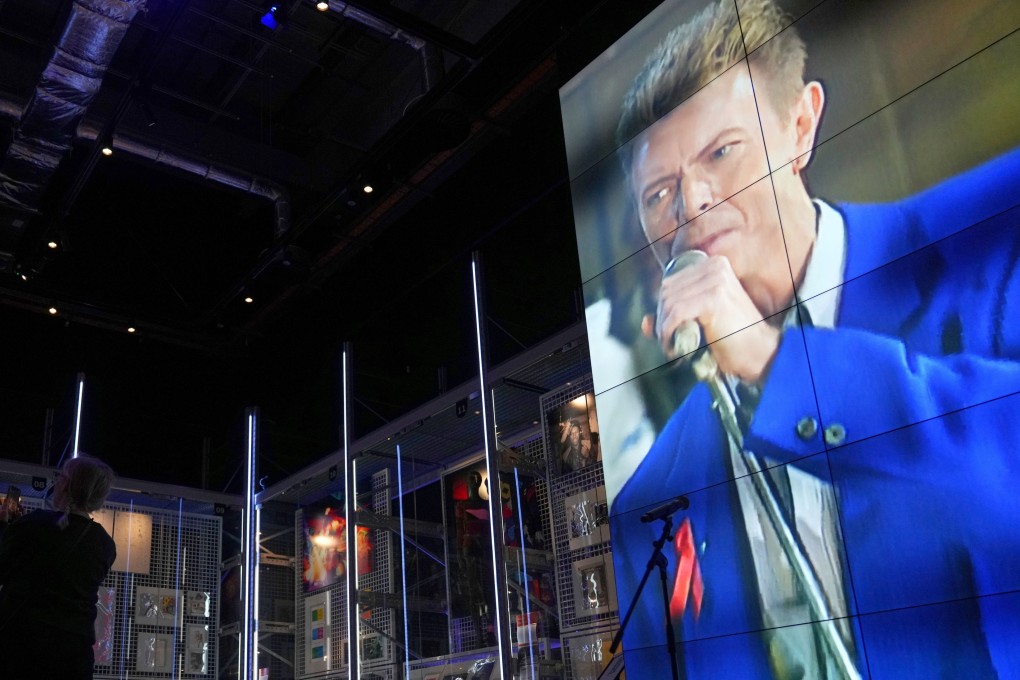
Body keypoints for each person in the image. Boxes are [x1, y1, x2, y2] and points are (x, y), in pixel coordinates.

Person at [607, 0, 1020, 678]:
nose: (693, 203)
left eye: (721, 152)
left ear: (801, 126)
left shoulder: (985, 261)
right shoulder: (654, 494)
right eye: (658, 194)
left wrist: (774, 364)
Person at [0, 455, 117, 679]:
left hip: (20, 647)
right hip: (73, 656)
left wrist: (4, 528)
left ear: (66, 486)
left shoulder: (32, 524)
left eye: (61, 477)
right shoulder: (105, 544)